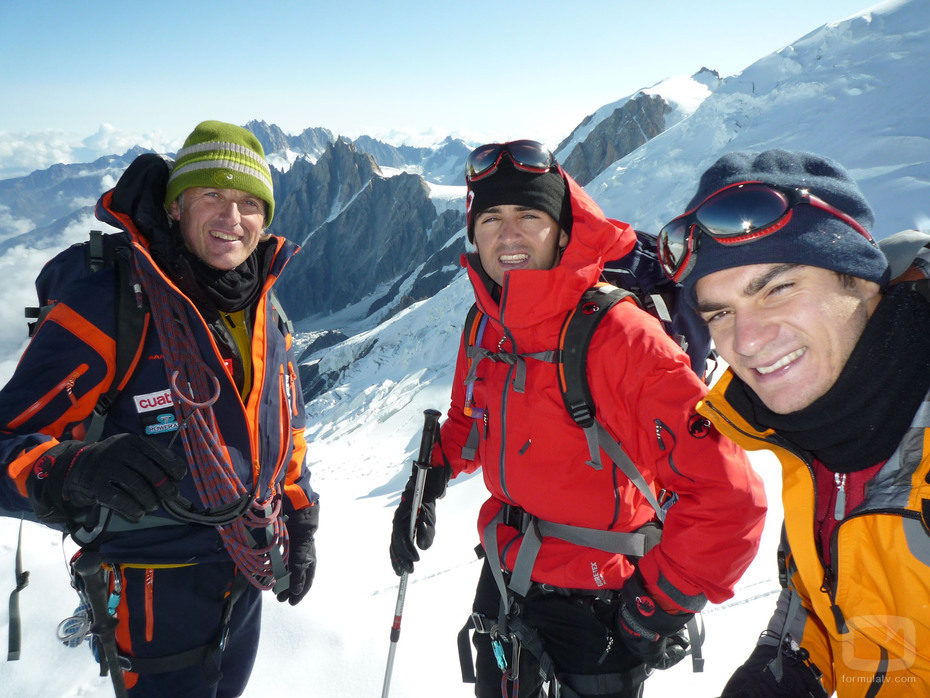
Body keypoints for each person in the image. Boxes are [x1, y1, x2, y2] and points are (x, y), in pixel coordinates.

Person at [390, 140, 767, 697]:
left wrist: (660, 604)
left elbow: (731, 496)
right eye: (491, 218)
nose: (508, 235)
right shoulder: (487, 325)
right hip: (504, 577)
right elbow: (471, 421)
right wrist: (428, 480)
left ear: (563, 232)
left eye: (529, 216)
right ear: (473, 233)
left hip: (600, 606)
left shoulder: (623, 338)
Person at [0, 121, 319, 697]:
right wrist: (73, 470)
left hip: (242, 578)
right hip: (149, 592)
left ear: (266, 219)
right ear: (176, 207)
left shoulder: (262, 308)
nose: (232, 218)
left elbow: (281, 425)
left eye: (249, 203)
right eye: (212, 195)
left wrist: (300, 514)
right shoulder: (109, 302)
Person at [658, 149, 930, 696]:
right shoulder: (812, 434)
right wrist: (784, 665)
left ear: (860, 280)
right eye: (720, 313)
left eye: (777, 289)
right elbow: (828, 590)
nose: (746, 341)